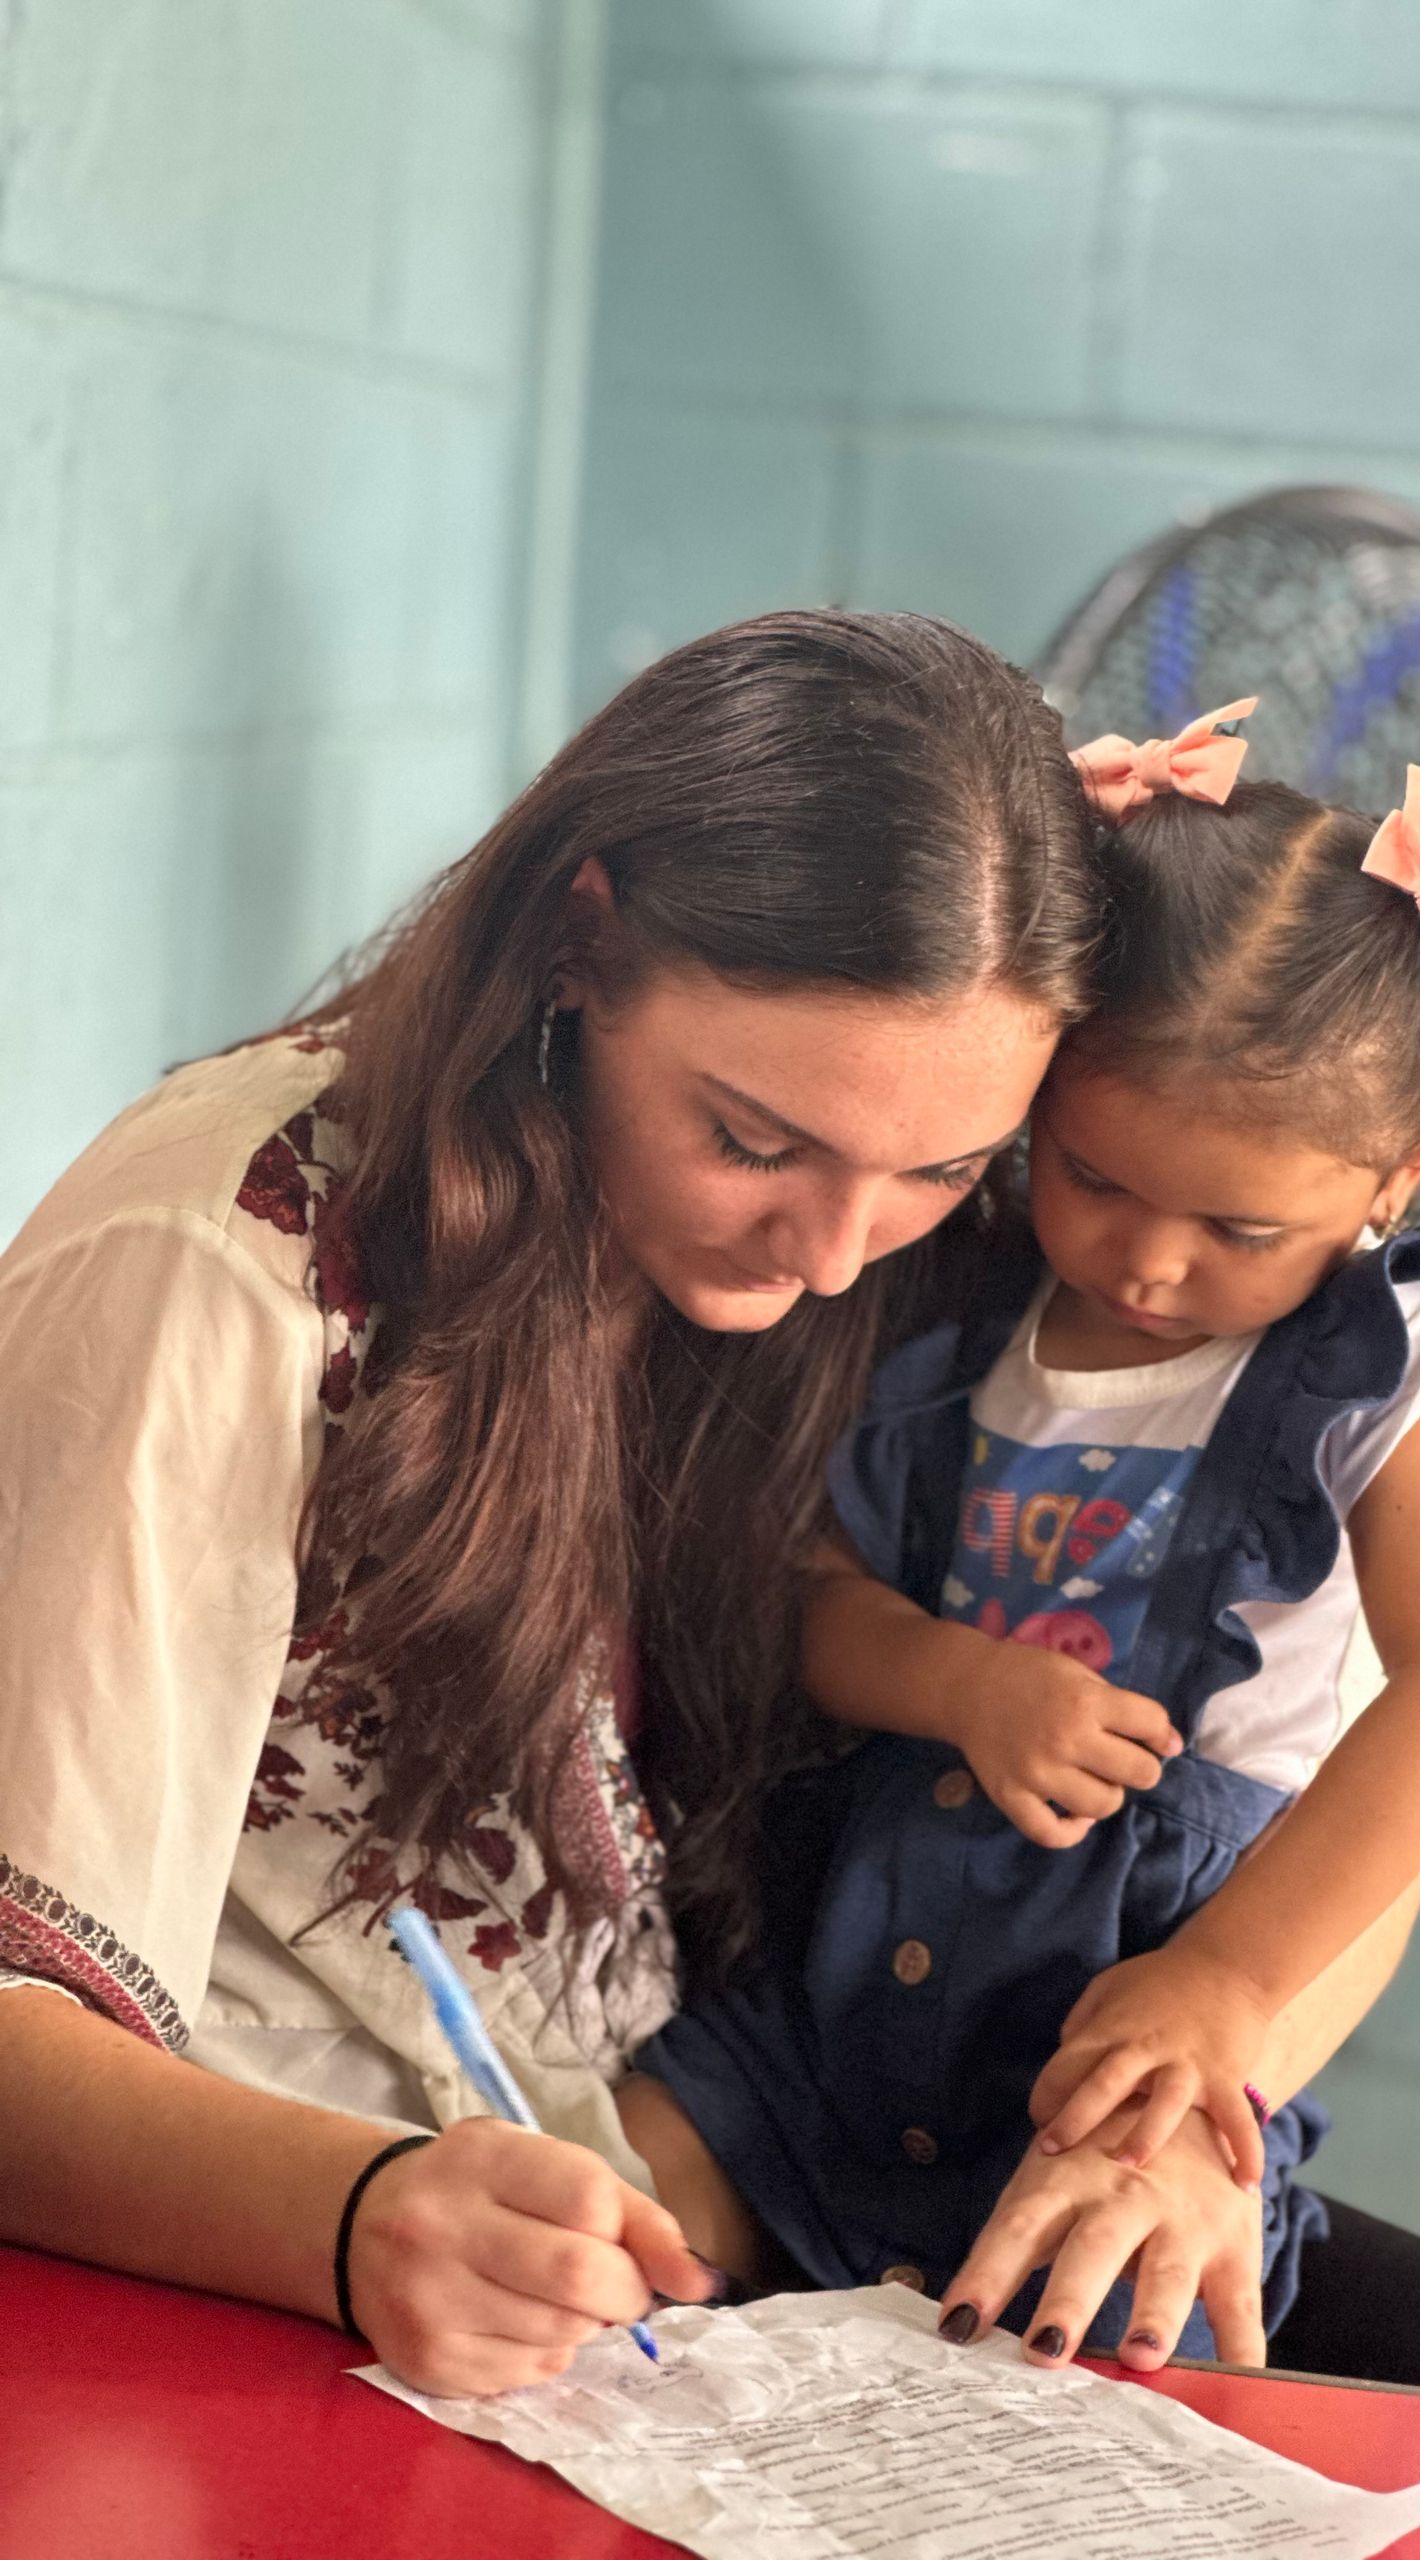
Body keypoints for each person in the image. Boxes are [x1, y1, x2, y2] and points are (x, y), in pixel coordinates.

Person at [0, 609, 1101, 2398]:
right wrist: (359, 2216)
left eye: (938, 1170)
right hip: (299, 2289)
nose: (830, 1255)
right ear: (580, 939)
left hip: (667, 2213)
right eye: (753, 1141)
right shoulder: (223, 1272)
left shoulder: (848, 1252)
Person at [631, 711, 1420, 2555]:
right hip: (837, 1968)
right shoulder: (946, 1297)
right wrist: (950, 1679)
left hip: (1127, 2003)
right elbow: (798, 1600)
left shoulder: (1382, 1369)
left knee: (1059, 2446)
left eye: (1237, 1225)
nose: (1145, 1263)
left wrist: (1226, 1992)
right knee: (595, 2225)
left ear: (1401, 1172)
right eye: (1092, 1175)